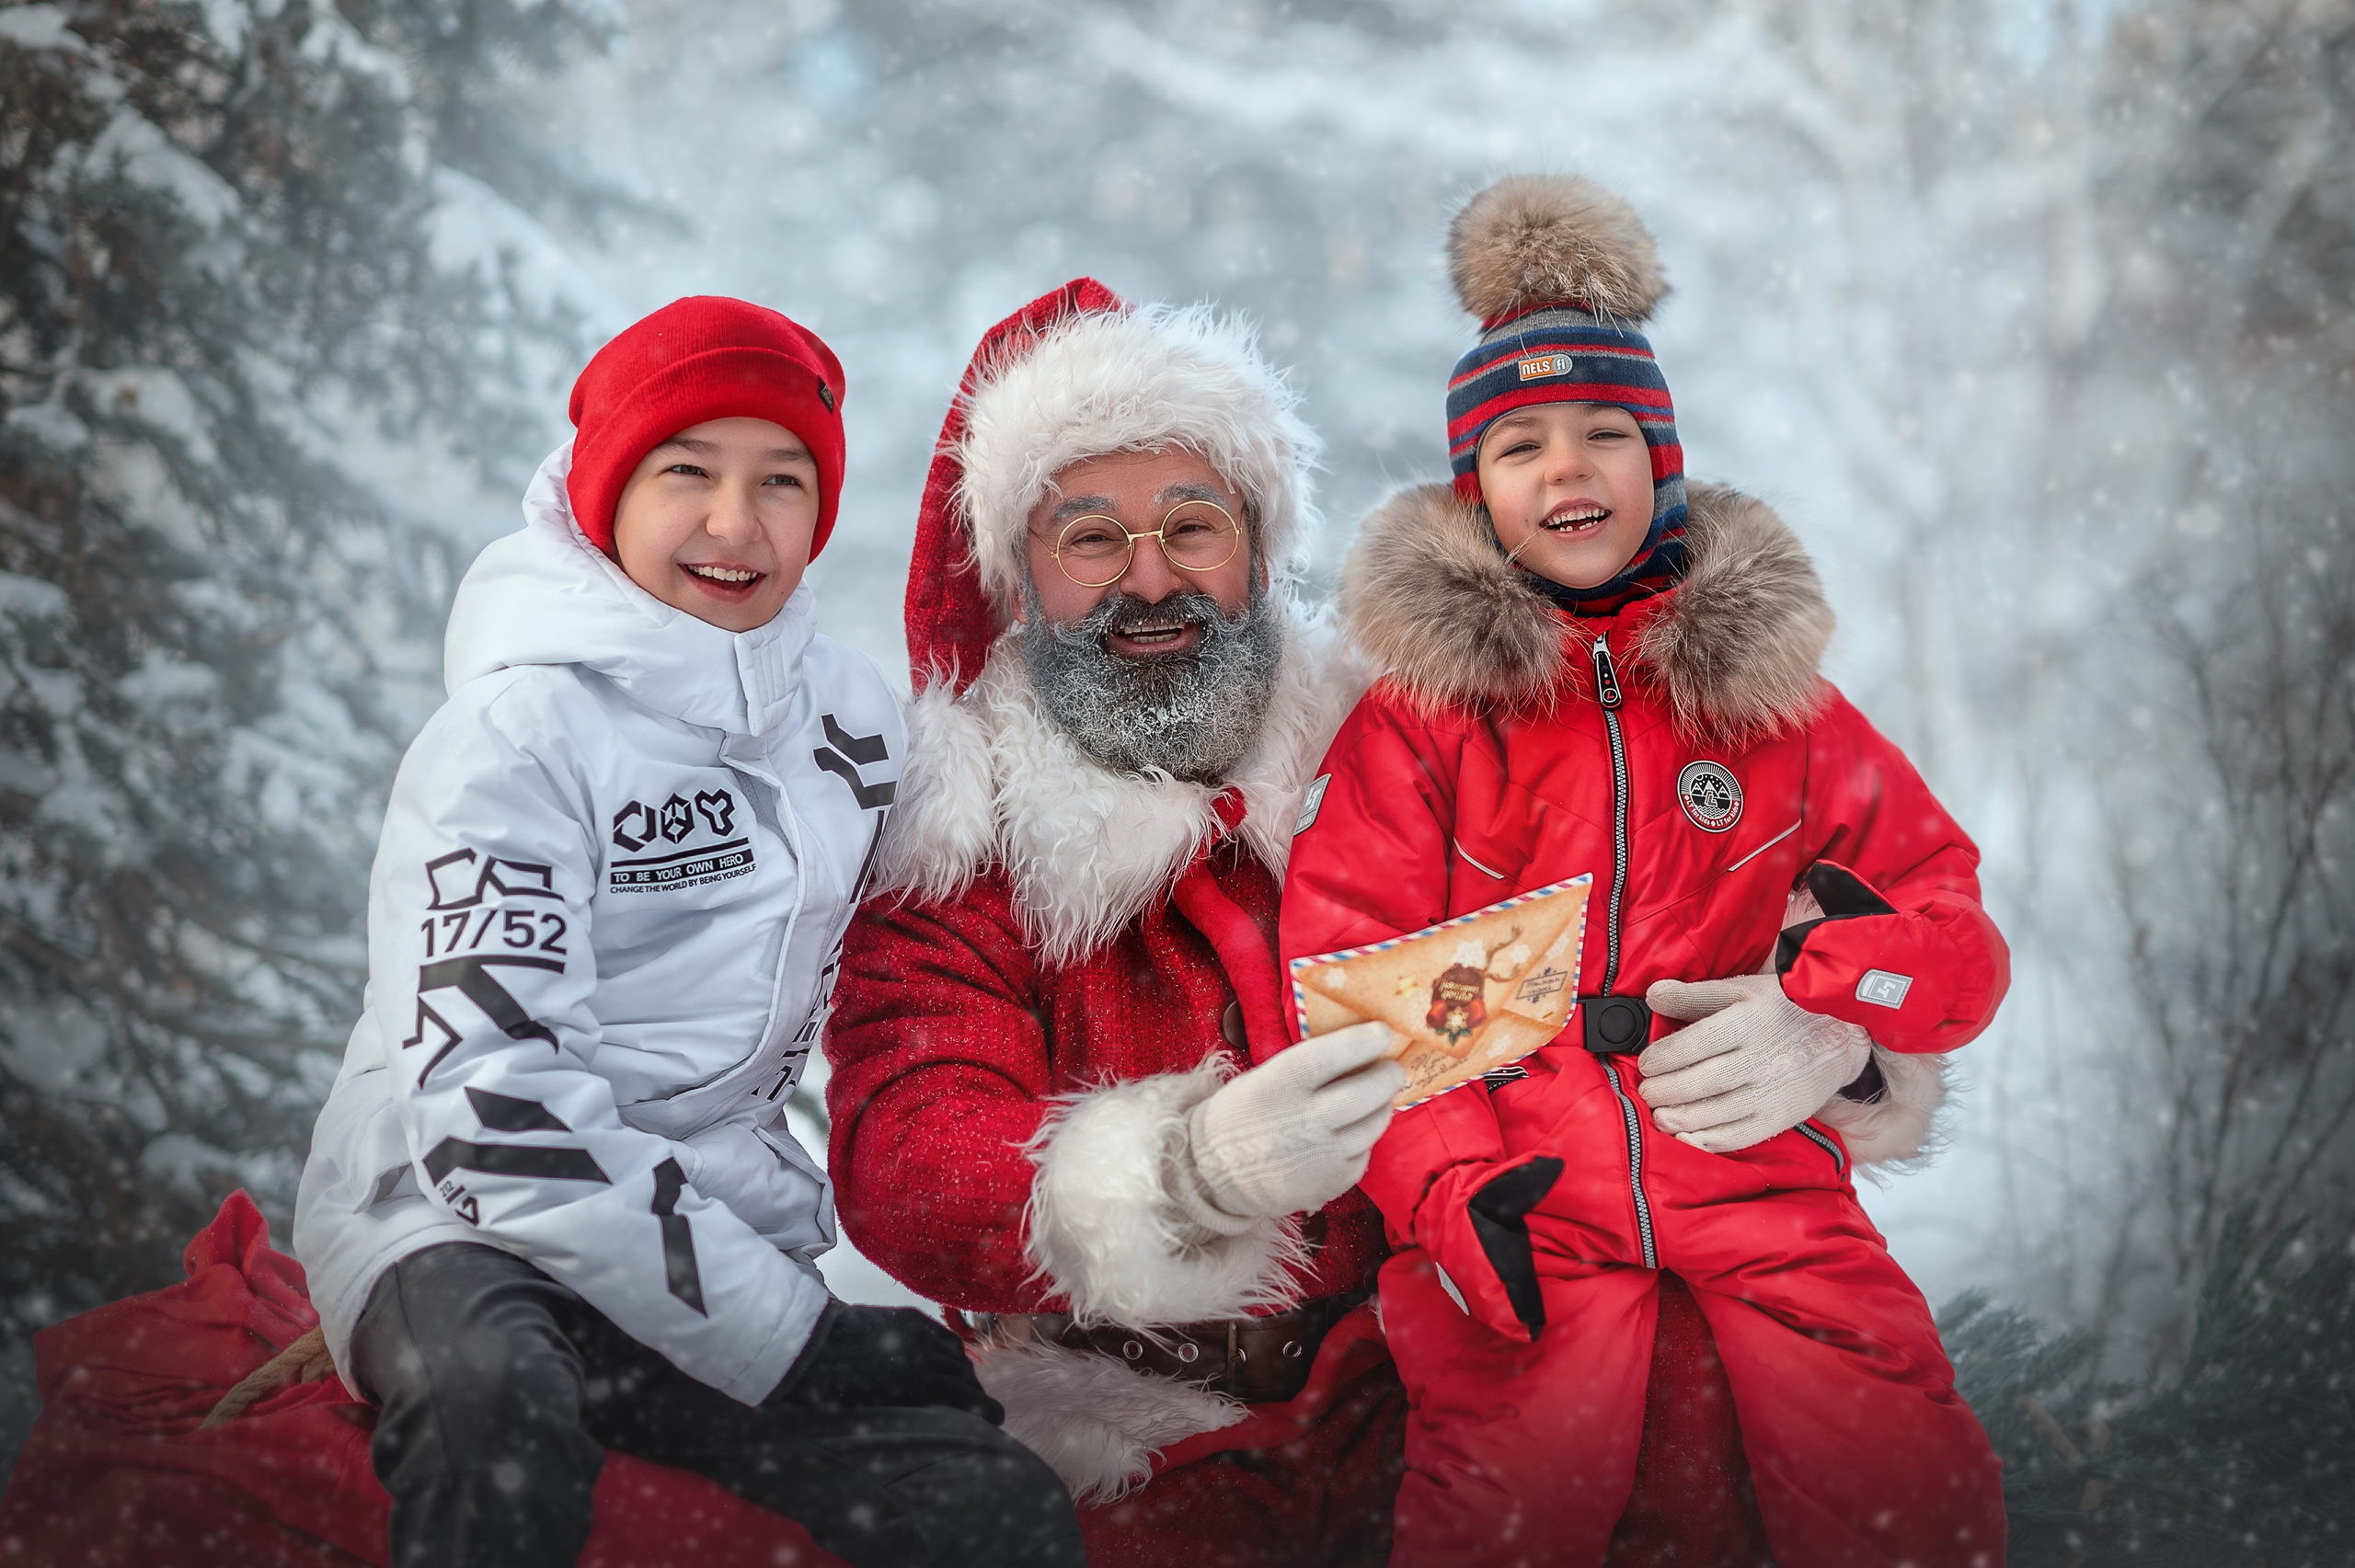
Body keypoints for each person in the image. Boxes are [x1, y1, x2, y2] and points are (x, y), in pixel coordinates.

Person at [1279, 175, 2010, 1568]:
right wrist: (1449, 1186)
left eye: (1607, 433)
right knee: (1508, 1494)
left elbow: (1952, 927)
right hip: (1527, 1191)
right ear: (1474, 492)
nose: (1569, 471)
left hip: (1756, 1166)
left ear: (1660, 459)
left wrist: (1831, 999)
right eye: (1522, 447)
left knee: (1904, 1471)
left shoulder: (1776, 707)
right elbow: (1346, 971)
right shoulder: (1425, 720)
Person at [287, 295, 1082, 1568]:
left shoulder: (851, 720)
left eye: (782, 480)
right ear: (606, 493)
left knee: (986, 1502)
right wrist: (802, 1341)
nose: (735, 523)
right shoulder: (513, 741)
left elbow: (957, 928)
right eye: (686, 473)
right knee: (494, 1400)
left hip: (717, 1230)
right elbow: (500, 1118)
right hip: (460, 1226)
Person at [821, 280, 1410, 1568]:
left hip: (1422, 1386)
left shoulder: (1397, 749)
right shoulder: (960, 834)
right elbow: (903, 1145)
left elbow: (1616, 907)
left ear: (1258, 550)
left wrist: (1819, 1012)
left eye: (1191, 523)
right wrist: (1186, 1175)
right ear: (1022, 578)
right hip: (1128, 1431)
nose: (1152, 577)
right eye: (1092, 537)